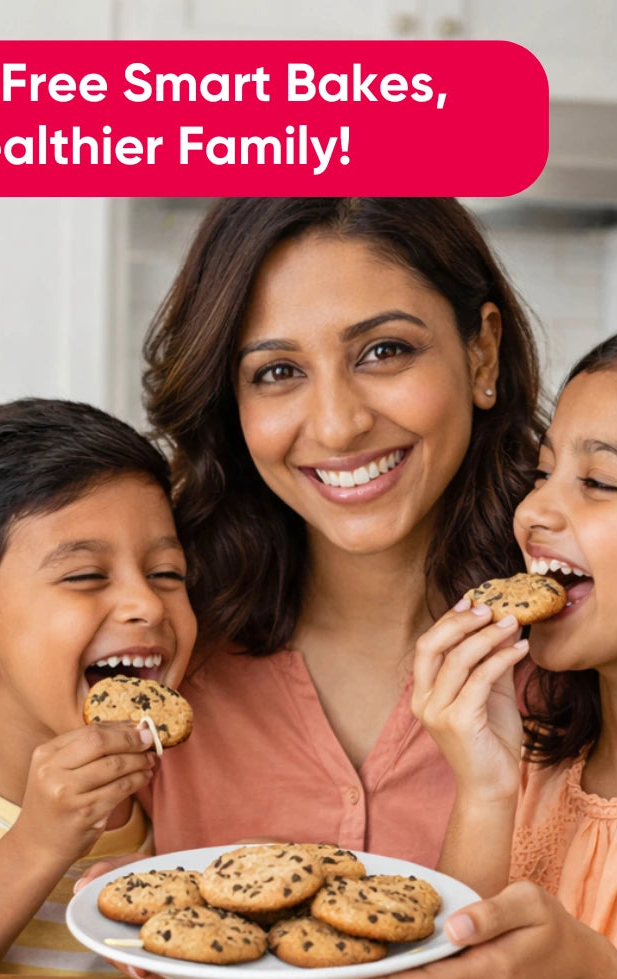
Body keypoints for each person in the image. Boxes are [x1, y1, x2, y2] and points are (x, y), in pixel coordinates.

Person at [138, 198, 546, 866]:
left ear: (482, 354)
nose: (336, 425)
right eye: (277, 372)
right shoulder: (162, 649)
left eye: (384, 352)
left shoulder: (590, 653)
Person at [335, 323, 617, 979]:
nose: (534, 514)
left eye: (600, 482)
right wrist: (486, 793)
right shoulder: (537, 779)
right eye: (545, 472)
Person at [0, 398, 197, 973]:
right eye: (85, 576)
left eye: (167, 573)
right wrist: (37, 844)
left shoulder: (186, 801)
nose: (147, 603)